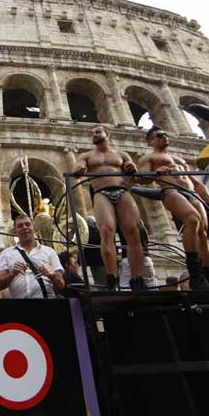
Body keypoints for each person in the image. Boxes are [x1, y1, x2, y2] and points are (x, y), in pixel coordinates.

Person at [137, 127, 209, 290]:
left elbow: (196, 183)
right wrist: (156, 173)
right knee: (192, 220)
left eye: (166, 134)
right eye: (159, 135)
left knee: (202, 234)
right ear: (151, 141)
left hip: (191, 193)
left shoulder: (179, 159)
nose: (164, 137)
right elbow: (141, 178)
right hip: (171, 190)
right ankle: (195, 276)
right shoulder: (149, 157)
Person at [73, 124, 144, 291]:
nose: (95, 135)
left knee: (133, 233)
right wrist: (79, 169)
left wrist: (132, 168)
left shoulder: (121, 154)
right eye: (92, 133)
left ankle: (137, 278)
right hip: (101, 192)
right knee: (106, 231)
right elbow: (76, 170)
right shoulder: (87, 155)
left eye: (98, 131)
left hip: (122, 190)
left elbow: (134, 177)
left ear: (107, 133)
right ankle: (111, 277)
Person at [0, 214, 64, 298]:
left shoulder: (50, 251)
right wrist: (12, 274)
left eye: (27, 224)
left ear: (34, 228)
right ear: (15, 232)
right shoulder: (6, 253)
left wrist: (52, 275)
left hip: (46, 304)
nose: (24, 227)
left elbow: (61, 286)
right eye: (20, 226)